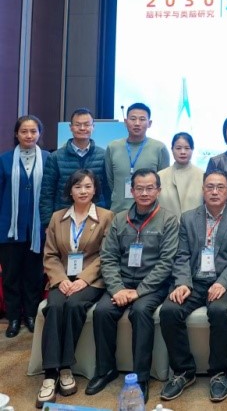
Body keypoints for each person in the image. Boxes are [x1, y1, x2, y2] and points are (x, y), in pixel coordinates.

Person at [86, 168, 178, 402]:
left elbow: (166, 262)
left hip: (152, 285)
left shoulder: (168, 220)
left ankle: (140, 377)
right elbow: (108, 258)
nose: (144, 193)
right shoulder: (119, 219)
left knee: (140, 312)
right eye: (140, 188)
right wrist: (117, 289)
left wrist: (139, 292)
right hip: (122, 281)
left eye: (150, 188)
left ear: (158, 190)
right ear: (132, 190)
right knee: (103, 311)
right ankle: (105, 370)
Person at [159, 168, 227, 402]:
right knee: (169, 310)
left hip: (224, 282)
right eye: (210, 187)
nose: (215, 191)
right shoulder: (189, 218)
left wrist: (222, 283)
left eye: (220, 187)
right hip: (194, 280)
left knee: (220, 310)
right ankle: (183, 371)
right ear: (203, 190)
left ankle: (219, 373)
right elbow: (181, 255)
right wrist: (182, 283)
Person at [38, 170, 114, 408]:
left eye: (88, 186)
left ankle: (65, 368)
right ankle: (50, 374)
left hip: (91, 279)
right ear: (70, 190)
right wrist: (61, 280)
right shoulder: (57, 217)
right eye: (78, 186)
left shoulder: (106, 216)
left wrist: (83, 278)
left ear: (95, 189)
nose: (83, 191)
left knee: (74, 305)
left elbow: (106, 255)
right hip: (62, 278)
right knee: (54, 306)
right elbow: (50, 255)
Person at [0, 115, 49, 338]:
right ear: (16, 134)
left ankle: (30, 315)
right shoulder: (4, 160)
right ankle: (13, 318)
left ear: (39, 134)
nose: (29, 135)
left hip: (38, 230)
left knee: (34, 275)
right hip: (9, 230)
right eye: (24, 131)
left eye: (33, 131)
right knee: (11, 276)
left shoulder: (48, 158)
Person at [40, 108, 109, 224]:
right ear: (70, 127)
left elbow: (108, 190)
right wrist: (47, 223)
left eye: (86, 125)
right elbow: (47, 193)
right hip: (64, 217)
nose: (82, 128)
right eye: (78, 125)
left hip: (96, 218)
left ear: (93, 127)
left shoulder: (104, 155)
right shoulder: (55, 157)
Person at [105, 103, 170, 213]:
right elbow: (110, 181)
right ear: (125, 122)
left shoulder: (159, 148)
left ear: (149, 123)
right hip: (118, 212)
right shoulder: (113, 147)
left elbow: (162, 181)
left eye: (142, 119)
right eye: (133, 119)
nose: (137, 123)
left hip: (149, 213)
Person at [158, 132, 203, 218]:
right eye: (178, 148)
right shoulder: (160, 176)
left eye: (187, 148)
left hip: (194, 225)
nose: (183, 152)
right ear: (172, 150)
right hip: (167, 225)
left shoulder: (203, 176)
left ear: (192, 150)